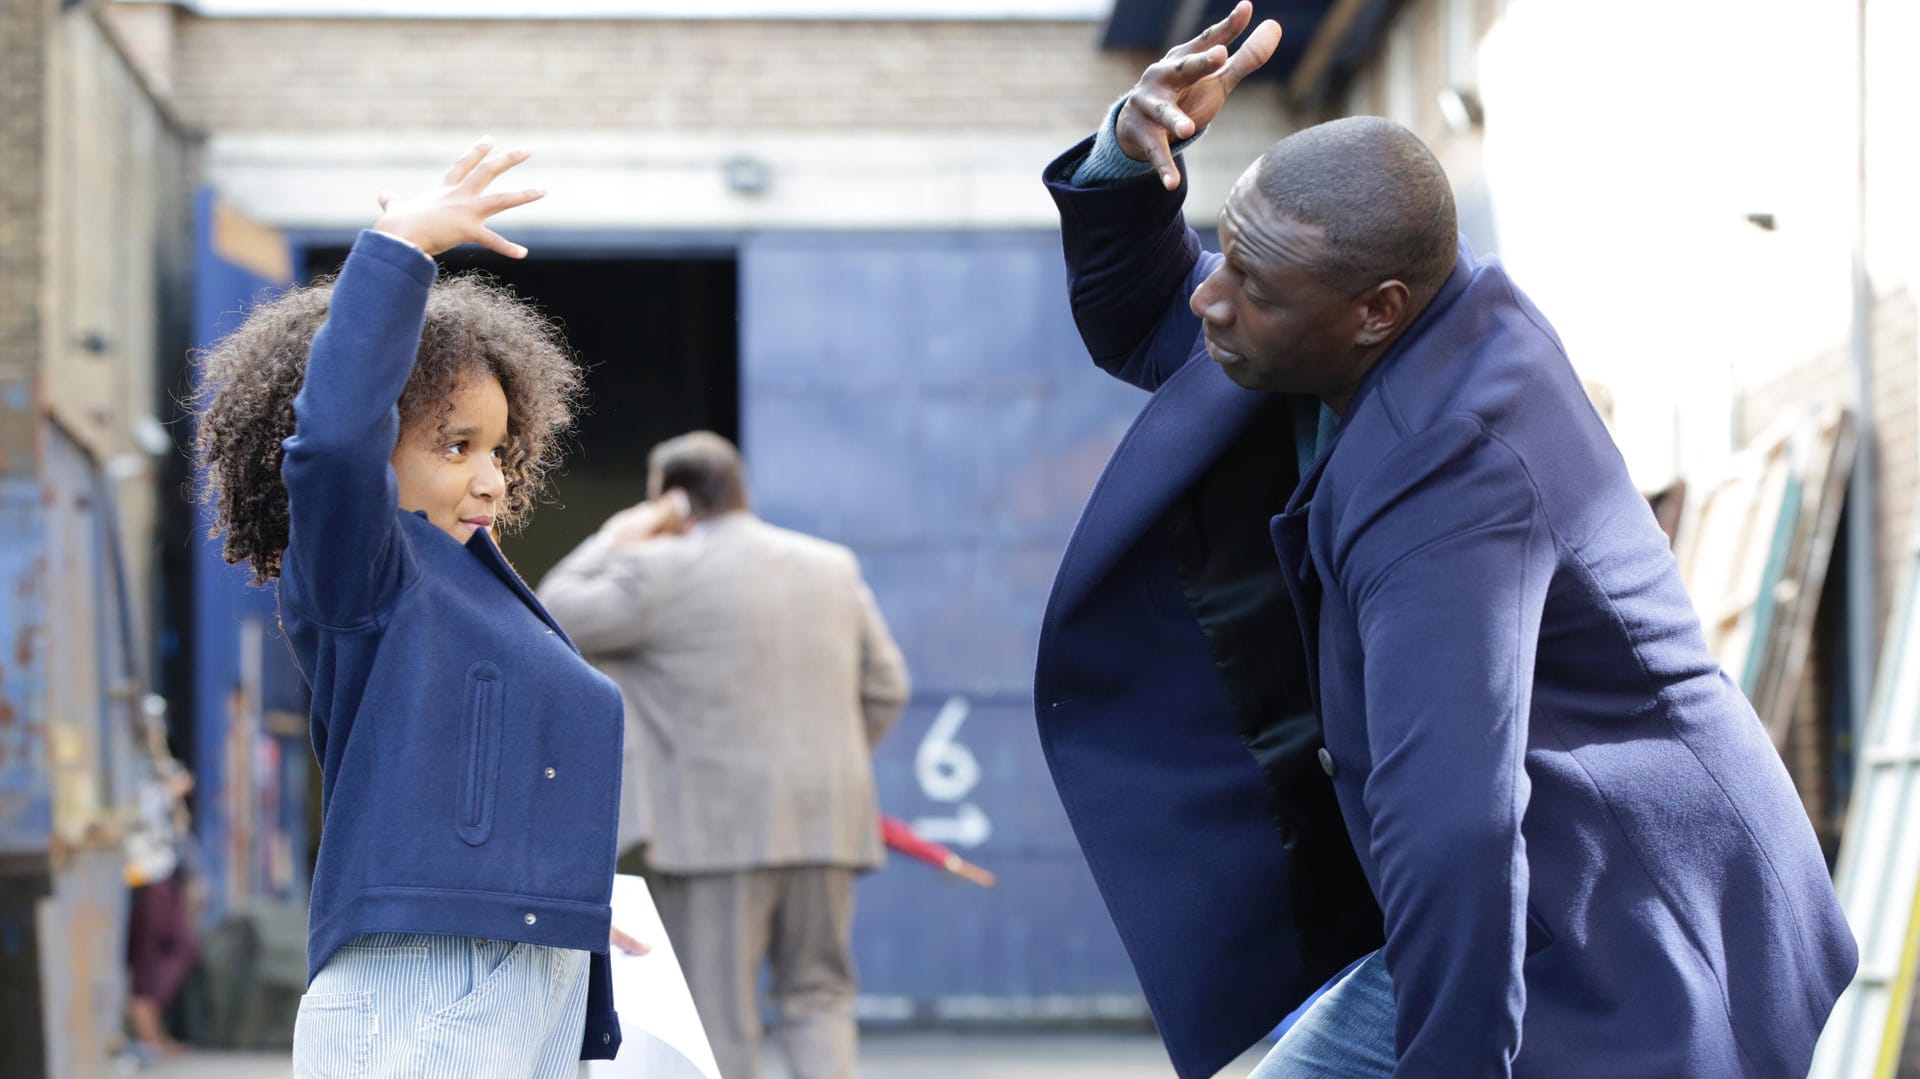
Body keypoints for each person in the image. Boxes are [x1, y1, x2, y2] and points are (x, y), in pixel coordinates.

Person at [1032, 5, 1857, 1077]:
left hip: (1625, 925)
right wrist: (1127, 159)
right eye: (1224, 256)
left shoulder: (1454, 471)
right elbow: (1147, 322)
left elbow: (1458, 828)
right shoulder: (1352, 321)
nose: (1210, 298)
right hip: (1517, 895)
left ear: (1375, 311)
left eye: (1250, 285)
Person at [192, 138, 632, 1077]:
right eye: (454, 444)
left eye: (499, 452)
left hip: (534, 976)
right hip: (428, 977)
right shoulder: (367, 579)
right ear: (383, 447)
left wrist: (566, 908)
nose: (488, 478)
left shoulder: (483, 591)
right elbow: (334, 439)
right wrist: (398, 248)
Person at [538, 430, 910, 1079]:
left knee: (720, 1011)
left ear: (672, 501)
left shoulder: (659, 571)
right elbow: (888, 687)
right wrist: (837, 762)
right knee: (819, 996)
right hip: (829, 817)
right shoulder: (831, 566)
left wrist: (620, 533)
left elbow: (551, 610)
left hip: (715, 829)